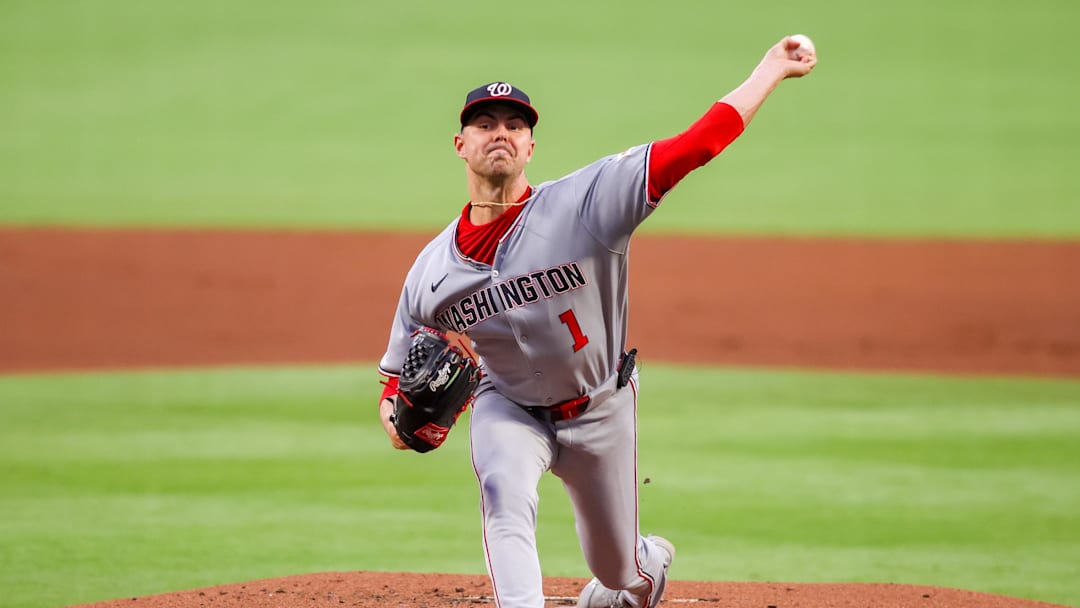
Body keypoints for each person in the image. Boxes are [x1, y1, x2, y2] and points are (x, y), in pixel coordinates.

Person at [377, 36, 817, 608]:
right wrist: (399, 422)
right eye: (485, 123)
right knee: (503, 491)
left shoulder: (587, 203)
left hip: (599, 407)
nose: (501, 133)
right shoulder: (431, 271)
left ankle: (645, 570)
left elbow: (695, 146)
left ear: (532, 144)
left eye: (515, 123)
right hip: (506, 405)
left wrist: (771, 69)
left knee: (617, 568)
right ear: (462, 145)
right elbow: (393, 383)